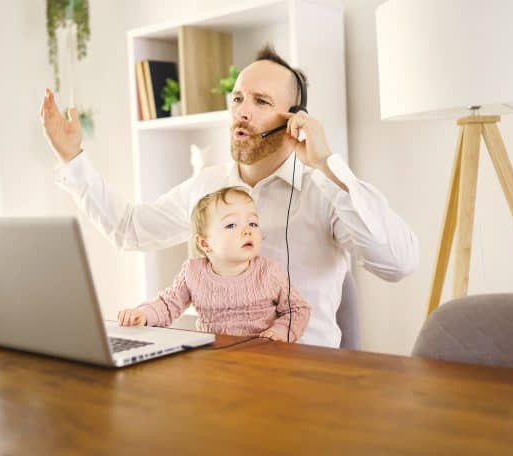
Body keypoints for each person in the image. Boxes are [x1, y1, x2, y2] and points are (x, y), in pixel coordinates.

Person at [40, 44, 419, 348]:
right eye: (238, 99)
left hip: (306, 378)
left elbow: (398, 263)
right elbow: (129, 230)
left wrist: (326, 164)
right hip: (219, 374)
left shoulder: (324, 190)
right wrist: (72, 158)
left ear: (294, 119)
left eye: (261, 102)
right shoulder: (208, 185)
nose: (242, 112)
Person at [117, 187, 310, 342]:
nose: (247, 231)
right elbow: (168, 304)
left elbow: (299, 309)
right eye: (231, 225)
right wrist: (143, 314)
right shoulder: (193, 272)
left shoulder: (268, 272)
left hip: (263, 357)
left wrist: (281, 332)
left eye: (253, 223)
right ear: (204, 243)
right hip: (215, 358)